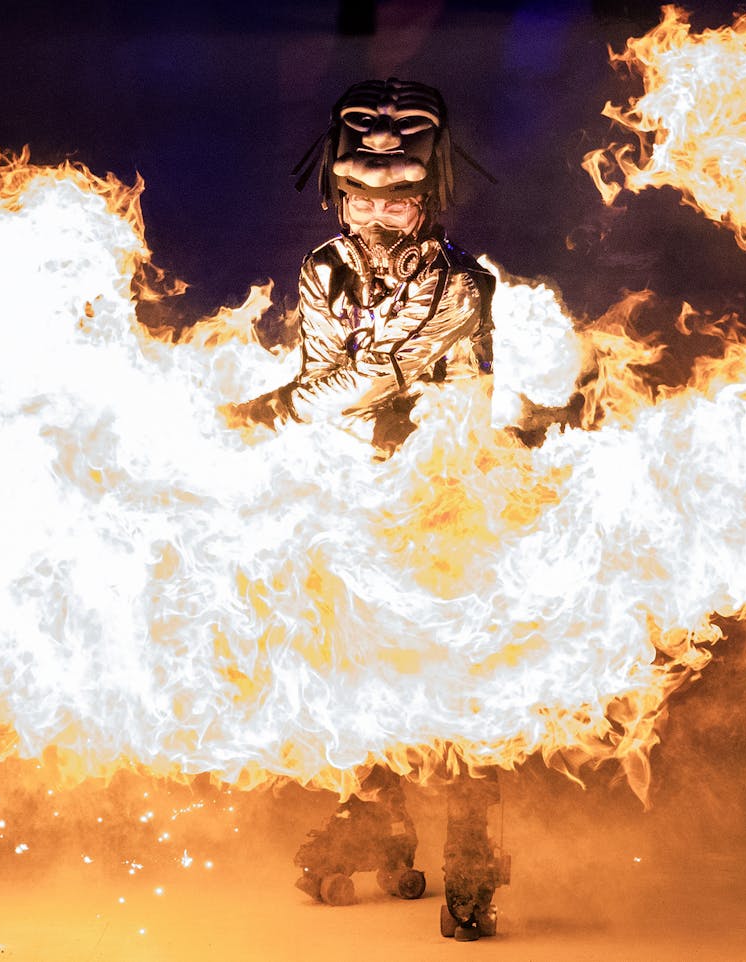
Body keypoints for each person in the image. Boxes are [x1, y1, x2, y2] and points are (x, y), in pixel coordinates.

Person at [228, 77, 507, 941]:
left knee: (457, 678)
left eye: (399, 198)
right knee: (354, 654)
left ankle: (472, 850)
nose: (377, 215)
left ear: (430, 194)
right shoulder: (324, 269)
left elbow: (373, 379)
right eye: (359, 194)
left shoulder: (465, 285)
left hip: (448, 493)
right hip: (360, 485)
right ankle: (377, 816)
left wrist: (267, 412)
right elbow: (325, 374)